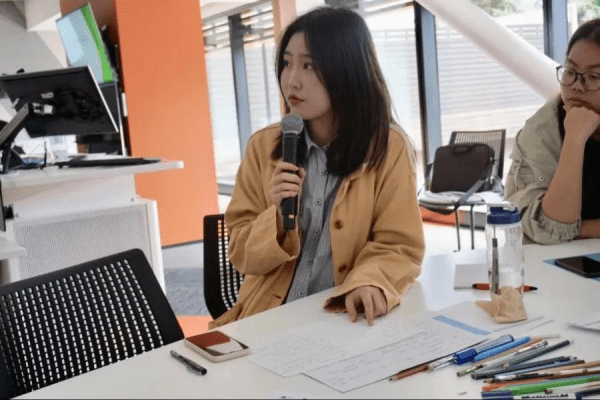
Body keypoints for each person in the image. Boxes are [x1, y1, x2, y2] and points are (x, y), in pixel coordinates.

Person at [209, 7, 424, 329]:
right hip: (267, 320)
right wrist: (276, 219)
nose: (291, 80)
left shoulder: (388, 148)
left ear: (348, 71)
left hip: (343, 319)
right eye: (287, 63)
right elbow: (241, 254)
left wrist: (371, 281)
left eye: (308, 65)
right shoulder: (263, 147)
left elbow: (398, 245)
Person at [505, 18, 600, 245]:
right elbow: (550, 230)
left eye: (594, 77)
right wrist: (575, 138)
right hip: (556, 261)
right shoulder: (541, 130)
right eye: (570, 71)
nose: (576, 85)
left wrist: (581, 228)